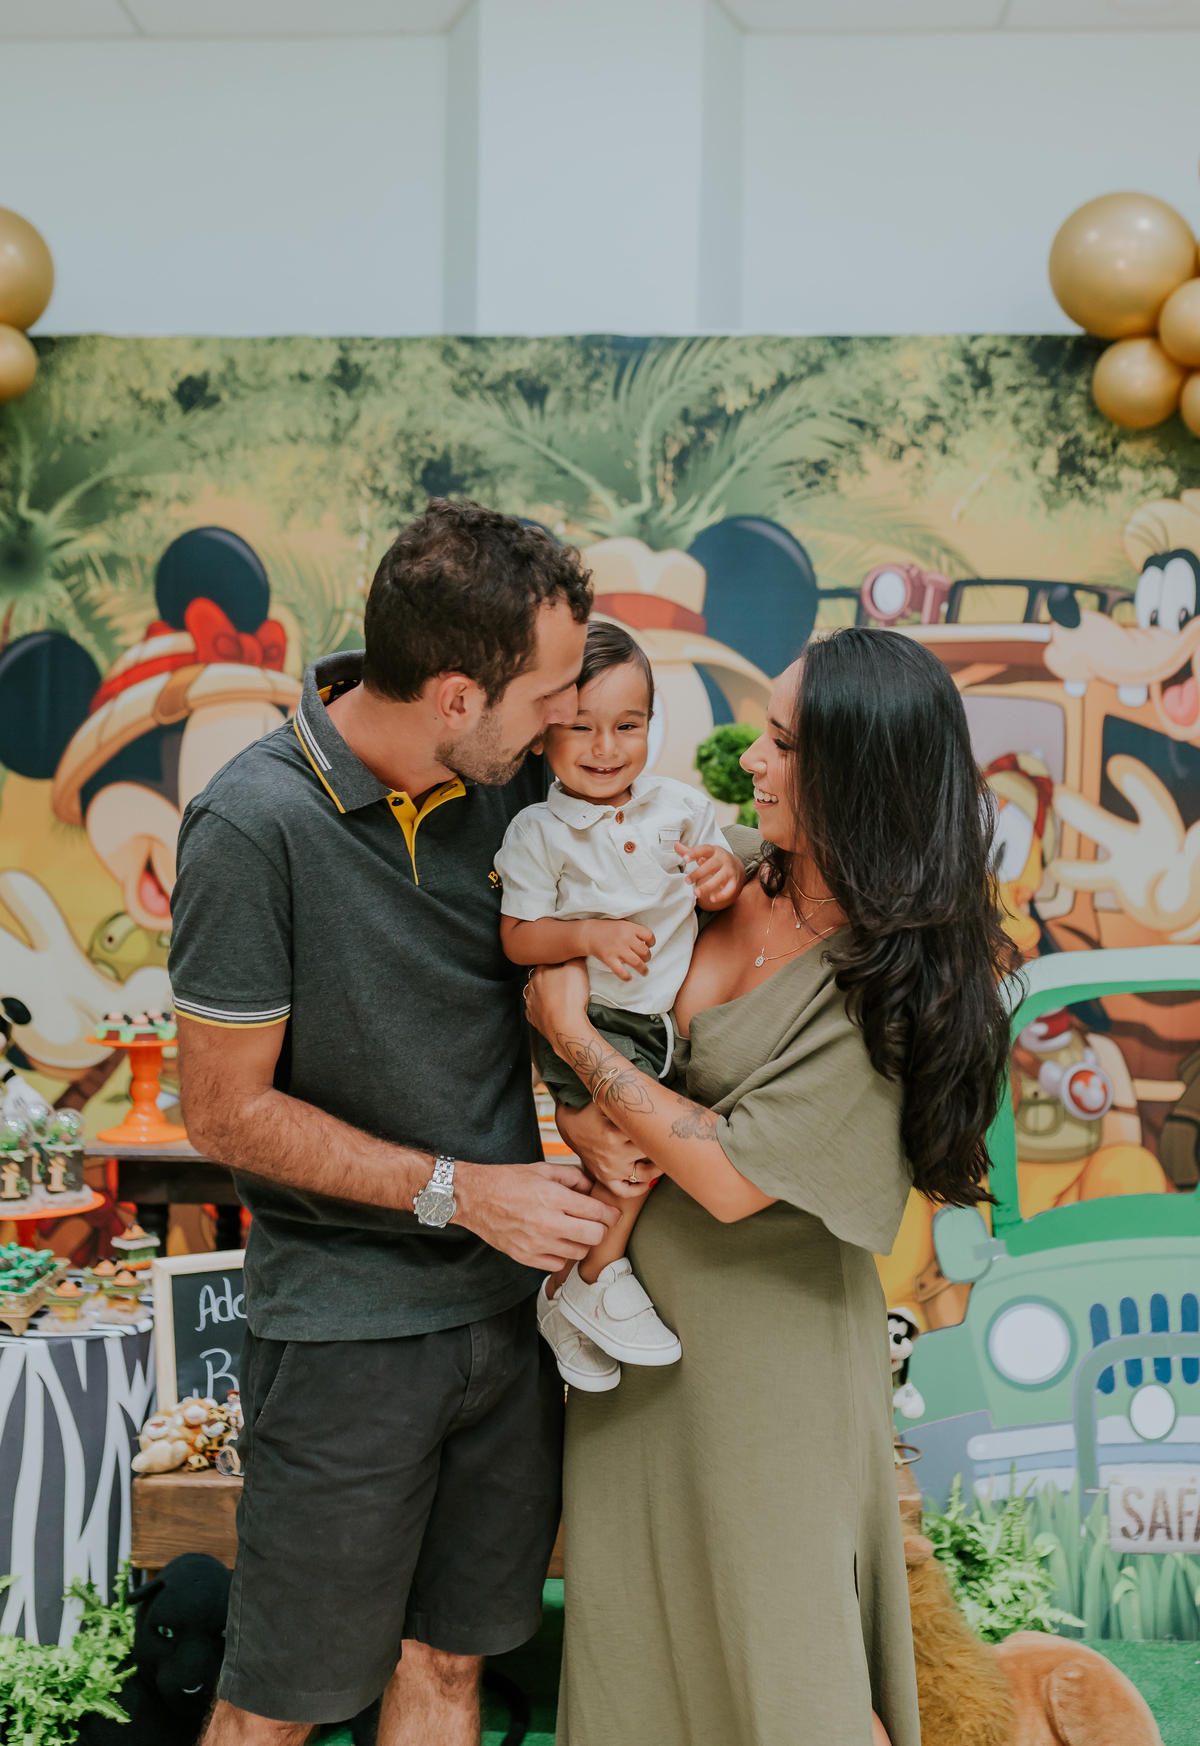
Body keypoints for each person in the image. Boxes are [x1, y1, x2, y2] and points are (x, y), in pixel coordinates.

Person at [170, 500, 621, 1746]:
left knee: (451, 1666)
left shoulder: (513, 791)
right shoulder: (252, 826)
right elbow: (223, 1110)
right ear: (458, 696)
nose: (567, 724)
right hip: (345, 1334)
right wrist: (460, 1190)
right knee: (281, 1706)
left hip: (504, 1322)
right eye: (547, 699)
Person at [525, 628, 1015, 1746]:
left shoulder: (894, 982)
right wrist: (581, 1101)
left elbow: (731, 1175)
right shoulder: (712, 866)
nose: (751, 757)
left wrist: (577, 1048)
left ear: (855, 775)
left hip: (774, 1367)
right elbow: (595, 1031)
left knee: (791, 1669)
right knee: (638, 1660)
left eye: (784, 743)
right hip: (635, 1355)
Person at [494, 618, 745, 1389]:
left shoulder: (682, 808)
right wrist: (589, 934)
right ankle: (593, 1280)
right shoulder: (540, 831)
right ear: (542, 736)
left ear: (650, 725)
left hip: (662, 1027)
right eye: (582, 728)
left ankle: (573, 1295)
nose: (606, 748)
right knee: (639, 1159)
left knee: (647, 1153)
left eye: (627, 726)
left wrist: (721, 876)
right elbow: (516, 939)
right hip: (596, 1021)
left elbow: (723, 875)